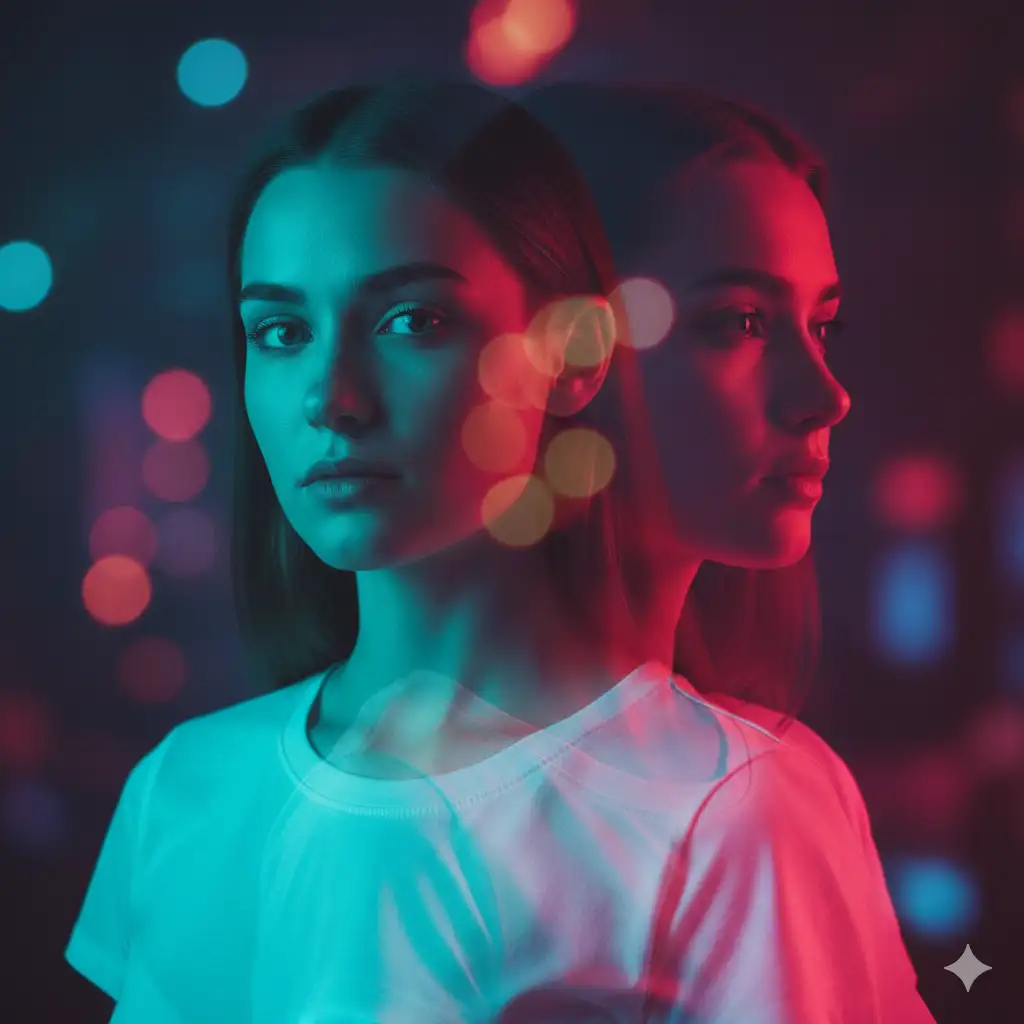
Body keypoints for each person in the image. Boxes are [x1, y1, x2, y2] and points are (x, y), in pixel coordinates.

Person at [62, 77, 934, 1022]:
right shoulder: (187, 785)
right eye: (279, 333)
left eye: (415, 321)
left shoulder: (733, 805)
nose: (331, 398)